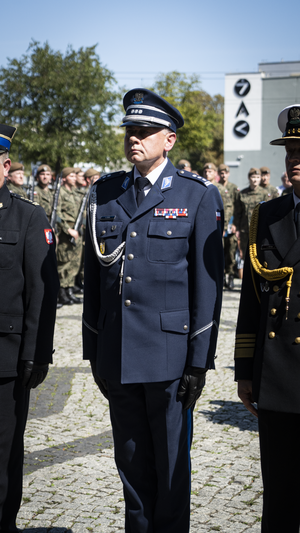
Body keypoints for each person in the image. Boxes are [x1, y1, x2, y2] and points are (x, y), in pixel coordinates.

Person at [83, 88, 224, 533]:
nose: (134, 139)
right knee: (131, 470)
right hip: (119, 356)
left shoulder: (197, 195)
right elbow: (94, 281)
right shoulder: (106, 193)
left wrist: (198, 362)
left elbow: (207, 286)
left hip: (168, 361)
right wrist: (94, 352)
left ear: (170, 140)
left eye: (145, 131)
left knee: (170, 473)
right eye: (130, 130)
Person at [234, 104, 300, 532]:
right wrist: (244, 371)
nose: (295, 160)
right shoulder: (267, 216)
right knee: (278, 496)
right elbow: (251, 302)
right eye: (291, 150)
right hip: (277, 378)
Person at [0, 125, 59, 532]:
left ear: (5, 166)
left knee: (2, 455)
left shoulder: (28, 216)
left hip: (4, 362)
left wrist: (36, 354)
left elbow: (42, 290)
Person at [56, 167, 83, 306]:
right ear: (65, 178)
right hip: (67, 233)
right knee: (64, 263)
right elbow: (57, 214)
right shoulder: (60, 192)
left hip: (77, 231)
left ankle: (69, 291)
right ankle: (62, 292)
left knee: (74, 263)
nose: (74, 178)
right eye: (71, 176)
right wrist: (68, 229)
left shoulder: (76, 193)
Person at [234, 168, 269, 270]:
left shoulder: (264, 193)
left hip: (260, 230)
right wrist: (237, 228)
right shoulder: (242, 194)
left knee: (260, 255)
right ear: (249, 178)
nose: (255, 180)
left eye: (257, 177)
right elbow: (238, 213)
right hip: (245, 231)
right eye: (253, 177)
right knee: (246, 256)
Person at [218, 163, 239, 289]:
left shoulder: (233, 188)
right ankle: (221, 276)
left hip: (231, 225)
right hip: (220, 224)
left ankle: (230, 275)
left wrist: (235, 223)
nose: (223, 175)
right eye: (221, 173)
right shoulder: (216, 187)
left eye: (225, 173)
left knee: (231, 251)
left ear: (228, 174)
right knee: (220, 250)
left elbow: (237, 208)